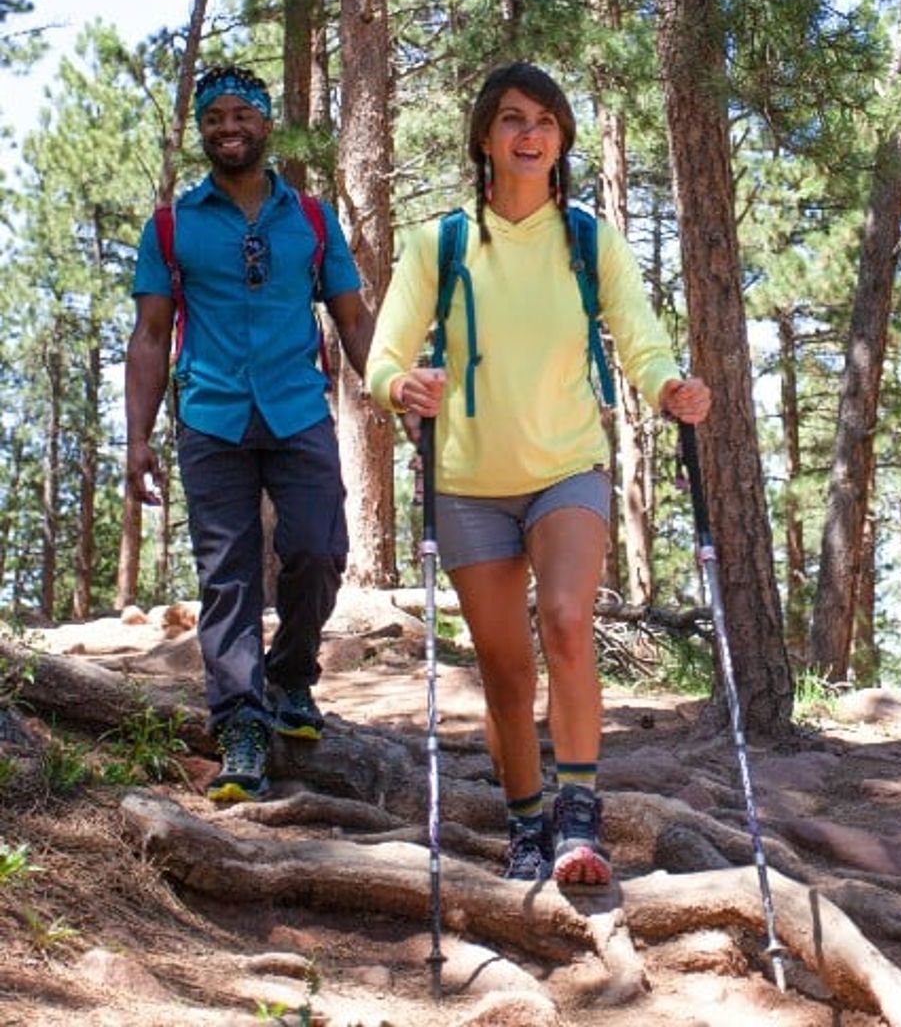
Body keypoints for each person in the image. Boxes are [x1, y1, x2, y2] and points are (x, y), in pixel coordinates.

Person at [367, 61, 710, 887]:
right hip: (467, 483)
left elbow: (639, 333)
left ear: (562, 141)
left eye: (547, 121)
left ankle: (580, 819)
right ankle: (527, 823)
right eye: (514, 119)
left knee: (563, 619)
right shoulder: (439, 243)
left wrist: (667, 384)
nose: (531, 135)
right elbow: (383, 355)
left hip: (567, 467)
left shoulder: (588, 239)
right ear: (485, 136)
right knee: (505, 668)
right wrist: (399, 386)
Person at [125, 66, 374, 804]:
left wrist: (395, 389)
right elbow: (149, 333)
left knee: (317, 549)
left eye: (242, 117)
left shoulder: (314, 220)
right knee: (227, 578)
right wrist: (137, 440)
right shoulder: (173, 225)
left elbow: (353, 317)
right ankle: (239, 722)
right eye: (213, 119)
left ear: (267, 127)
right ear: (202, 129)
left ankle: (292, 677)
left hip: (300, 410)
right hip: (210, 416)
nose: (227, 129)